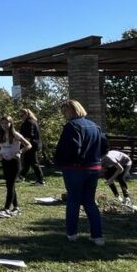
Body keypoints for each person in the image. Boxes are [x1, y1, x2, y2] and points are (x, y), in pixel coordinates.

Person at [52, 100, 108, 245]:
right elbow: (104, 147)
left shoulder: (72, 126)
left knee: (73, 200)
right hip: (93, 168)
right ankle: (97, 236)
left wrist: (61, 161)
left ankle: (72, 233)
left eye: (65, 111)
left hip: (75, 169)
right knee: (89, 201)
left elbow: (71, 148)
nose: (64, 115)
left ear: (73, 110)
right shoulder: (95, 126)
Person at [0, 116, 32, 217]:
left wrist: (19, 152)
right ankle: (16, 208)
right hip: (5, 161)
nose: (4, 125)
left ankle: (6, 209)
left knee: (10, 184)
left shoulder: (15, 135)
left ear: (11, 123)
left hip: (14, 162)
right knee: (9, 185)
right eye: (2, 123)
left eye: (7, 123)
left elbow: (28, 145)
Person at [18, 108, 45, 185]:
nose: (21, 117)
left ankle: (41, 180)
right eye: (20, 115)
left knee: (34, 162)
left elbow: (29, 135)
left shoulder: (29, 122)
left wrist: (24, 145)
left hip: (31, 145)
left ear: (27, 114)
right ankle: (21, 176)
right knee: (27, 161)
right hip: (33, 144)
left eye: (22, 115)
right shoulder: (33, 121)